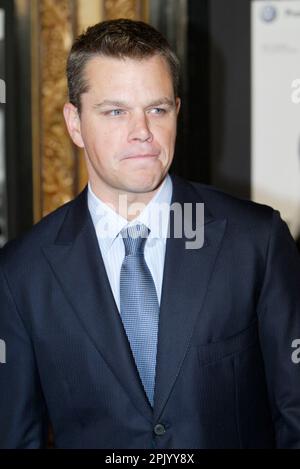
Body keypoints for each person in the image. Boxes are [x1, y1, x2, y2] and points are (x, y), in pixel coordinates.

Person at [0, 19, 300, 450]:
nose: (142, 131)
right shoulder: (21, 273)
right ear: (75, 123)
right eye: (116, 111)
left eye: (157, 109)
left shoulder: (256, 242)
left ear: (176, 111)